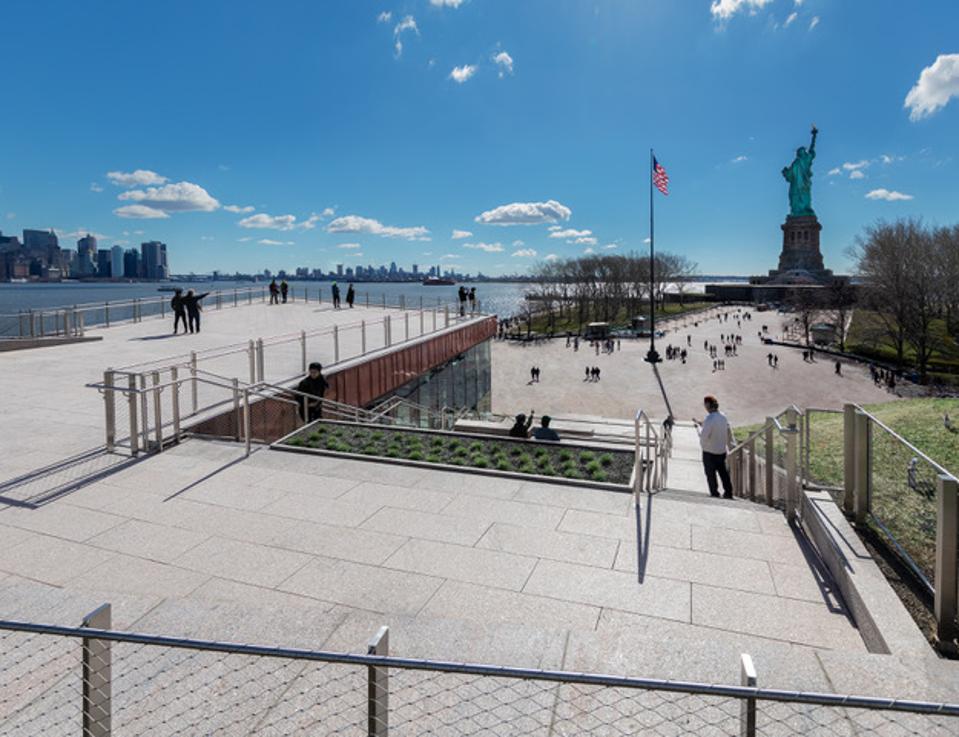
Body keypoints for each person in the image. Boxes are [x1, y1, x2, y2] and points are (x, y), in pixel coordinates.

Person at [694, 395, 734, 499]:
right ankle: (728, 492)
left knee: (710, 474)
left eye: (705, 404)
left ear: (708, 405)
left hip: (709, 451)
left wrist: (699, 430)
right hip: (721, 450)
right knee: (723, 472)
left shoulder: (709, 418)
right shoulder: (723, 417)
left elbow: (704, 436)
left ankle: (714, 493)